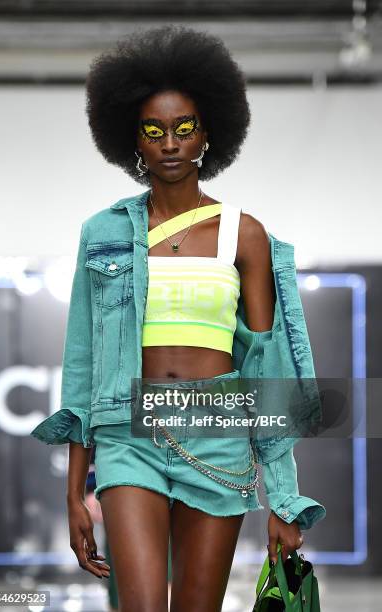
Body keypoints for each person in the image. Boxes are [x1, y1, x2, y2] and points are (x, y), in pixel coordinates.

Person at [31, 25, 326, 611]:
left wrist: (286, 501)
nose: (170, 143)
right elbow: (83, 364)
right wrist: (75, 495)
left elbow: (263, 371)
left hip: (218, 431)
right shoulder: (105, 233)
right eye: (153, 131)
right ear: (133, 142)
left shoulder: (245, 234)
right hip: (128, 437)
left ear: (208, 135)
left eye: (183, 129)